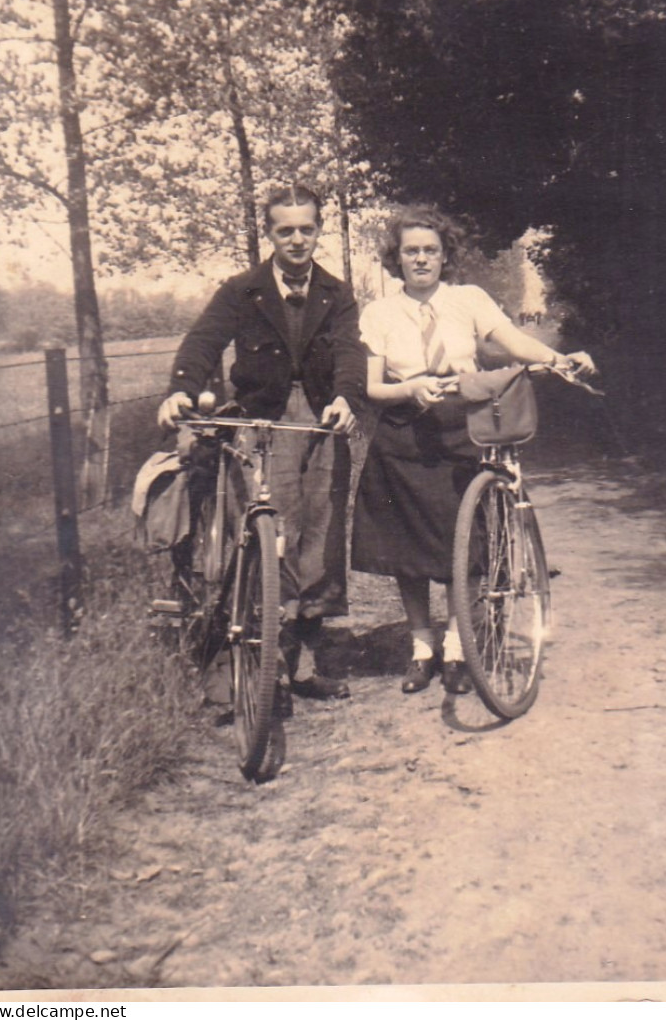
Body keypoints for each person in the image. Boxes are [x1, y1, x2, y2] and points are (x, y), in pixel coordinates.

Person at [351, 204, 595, 696]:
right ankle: (422, 648)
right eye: (410, 251)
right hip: (402, 432)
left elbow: (513, 340)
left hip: (463, 426)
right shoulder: (378, 313)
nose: (420, 259)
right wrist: (409, 389)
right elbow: (373, 387)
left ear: (445, 256)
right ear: (395, 259)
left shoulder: (469, 299)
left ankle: (459, 645)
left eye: (430, 251)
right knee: (408, 549)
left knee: (463, 542)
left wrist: (559, 358)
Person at [157, 184, 366, 705]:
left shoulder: (336, 293)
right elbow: (204, 341)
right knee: (267, 535)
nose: (297, 240)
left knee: (319, 537)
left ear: (320, 230)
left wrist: (345, 397)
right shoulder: (242, 289)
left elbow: (349, 351)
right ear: (269, 233)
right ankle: (256, 667)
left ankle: (302, 666)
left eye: (307, 228)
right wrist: (182, 388)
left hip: (320, 422)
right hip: (260, 421)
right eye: (285, 230)